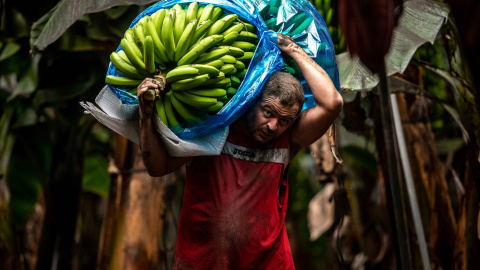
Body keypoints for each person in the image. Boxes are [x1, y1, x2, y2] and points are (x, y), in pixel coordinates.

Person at [136, 33, 343, 270]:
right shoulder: (213, 127)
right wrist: (146, 117)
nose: (274, 126)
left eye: (284, 121)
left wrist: (292, 49)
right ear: (252, 101)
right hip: (202, 263)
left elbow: (333, 103)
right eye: (268, 112)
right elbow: (157, 167)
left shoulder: (289, 140)